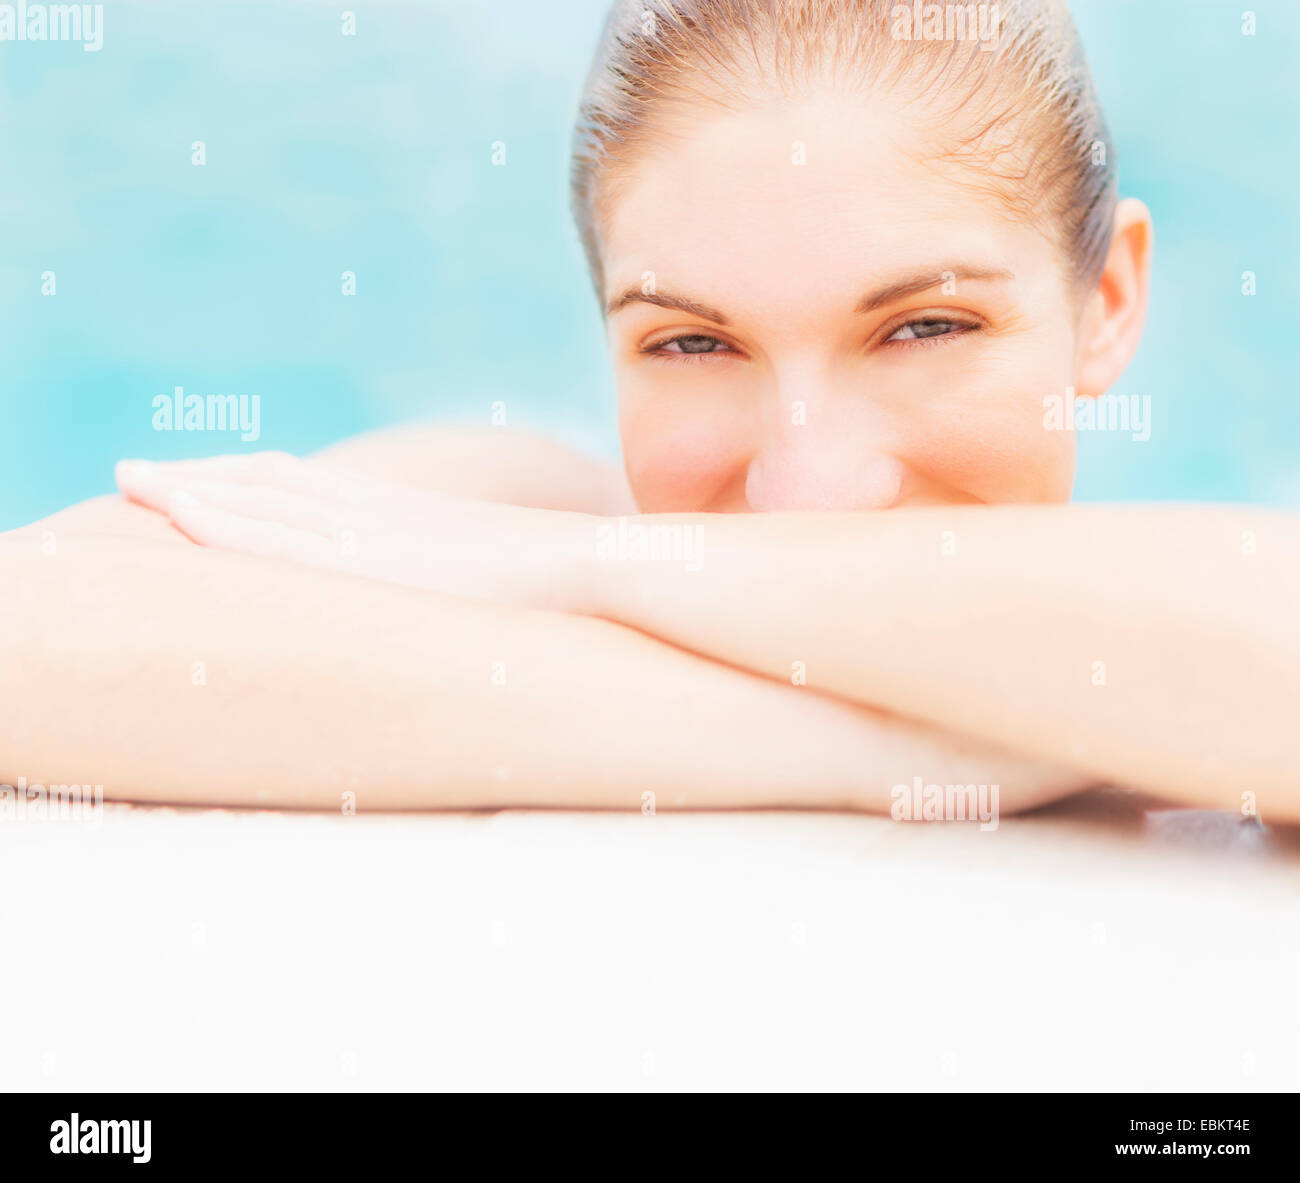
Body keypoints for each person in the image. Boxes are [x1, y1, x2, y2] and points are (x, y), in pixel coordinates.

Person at [4, 0, 1295, 819]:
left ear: (1107, 301)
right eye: (692, 342)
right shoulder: (538, 499)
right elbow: (29, 628)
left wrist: (583, 573)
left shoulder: (552, 556)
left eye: (924, 326)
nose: (804, 485)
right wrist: (913, 744)